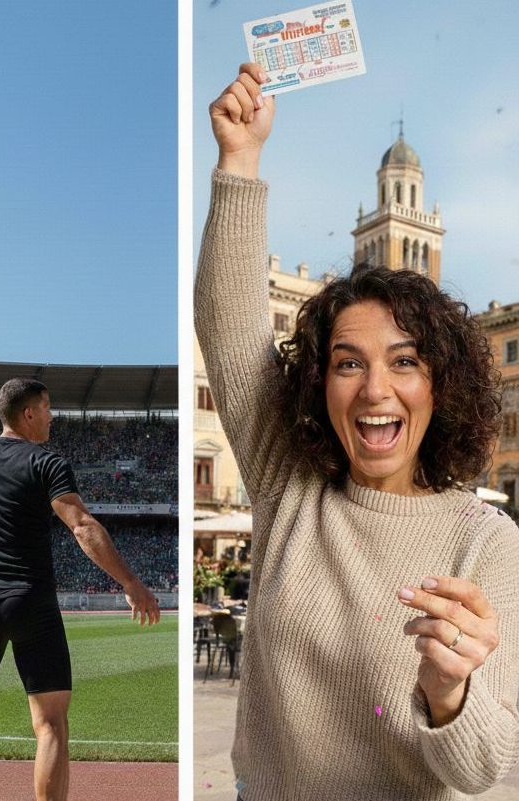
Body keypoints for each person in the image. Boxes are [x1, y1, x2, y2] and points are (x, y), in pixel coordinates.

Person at [195, 64, 519, 800]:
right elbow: (224, 320)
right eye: (348, 363)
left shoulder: (489, 543)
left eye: (404, 362)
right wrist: (239, 161)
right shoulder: (290, 487)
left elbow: (481, 768)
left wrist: (450, 693)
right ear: (321, 382)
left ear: (442, 385)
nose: (375, 388)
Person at [0, 378, 161, 801]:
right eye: (48, 407)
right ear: (29, 413)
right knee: (50, 725)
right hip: (31, 601)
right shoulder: (46, 463)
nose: (53, 416)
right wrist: (131, 583)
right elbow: (82, 525)